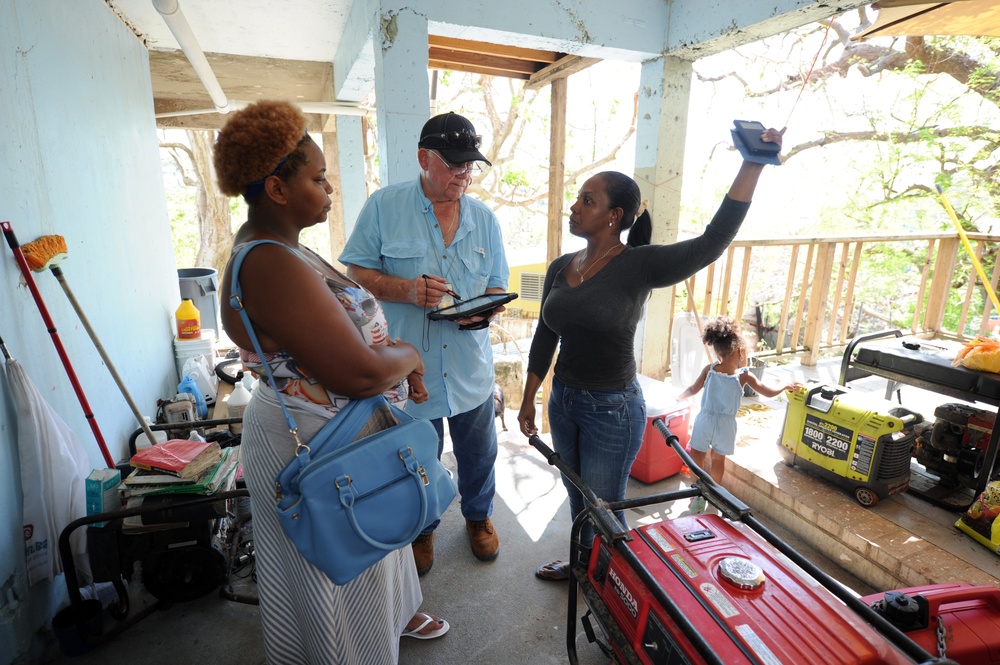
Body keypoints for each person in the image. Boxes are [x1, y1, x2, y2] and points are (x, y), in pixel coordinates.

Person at [214, 100, 448, 664]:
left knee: (365, 547)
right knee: (338, 577)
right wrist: (410, 355)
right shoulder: (269, 262)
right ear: (276, 187)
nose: (329, 189)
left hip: (334, 432)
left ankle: (387, 628)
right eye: (318, 179)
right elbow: (358, 371)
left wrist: (395, 363)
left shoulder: (286, 247)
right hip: (314, 442)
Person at [517, 126, 785, 582]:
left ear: (613, 215)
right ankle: (586, 565)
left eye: (587, 200)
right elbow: (546, 336)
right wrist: (530, 397)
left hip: (610, 409)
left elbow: (712, 242)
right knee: (579, 497)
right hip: (564, 399)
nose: (575, 206)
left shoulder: (639, 265)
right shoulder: (562, 267)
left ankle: (621, 587)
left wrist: (753, 163)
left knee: (606, 507)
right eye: (578, 198)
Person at [340, 112, 510, 576]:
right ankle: (423, 528)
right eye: (453, 165)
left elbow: (497, 285)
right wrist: (407, 290)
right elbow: (355, 276)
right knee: (416, 457)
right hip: (410, 373)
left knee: (480, 454)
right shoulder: (383, 206)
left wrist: (486, 309)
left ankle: (478, 517)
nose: (463, 175)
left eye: (469, 166)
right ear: (423, 158)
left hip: (470, 368)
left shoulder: (484, 220)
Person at [679, 316, 800, 514]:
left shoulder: (709, 370)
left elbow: (693, 388)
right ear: (740, 352)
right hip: (726, 425)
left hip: (705, 420)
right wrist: (785, 386)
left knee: (696, 456)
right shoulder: (744, 375)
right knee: (718, 461)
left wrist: (678, 397)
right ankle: (713, 492)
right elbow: (767, 392)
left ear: (718, 354)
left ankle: (696, 492)